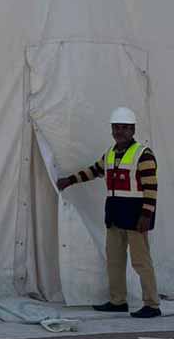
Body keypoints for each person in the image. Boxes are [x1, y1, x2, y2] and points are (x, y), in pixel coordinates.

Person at [57, 106, 161, 318]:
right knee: (114, 260)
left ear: (132, 129)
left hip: (135, 216)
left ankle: (152, 304)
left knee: (141, 262)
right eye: (116, 127)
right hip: (114, 215)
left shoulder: (144, 155)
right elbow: (94, 171)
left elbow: (151, 188)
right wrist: (69, 181)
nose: (119, 131)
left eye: (124, 127)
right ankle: (118, 301)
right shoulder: (111, 153)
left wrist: (146, 215)